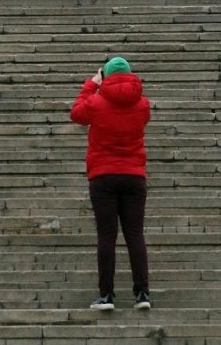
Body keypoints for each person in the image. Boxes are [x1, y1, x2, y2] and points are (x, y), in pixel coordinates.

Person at [69, 56, 152, 313]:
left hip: (103, 176)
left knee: (107, 236)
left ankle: (106, 296)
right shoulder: (143, 105)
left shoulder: (95, 102)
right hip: (134, 176)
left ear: (105, 76)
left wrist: (92, 84)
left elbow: (76, 114)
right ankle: (142, 293)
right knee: (135, 235)